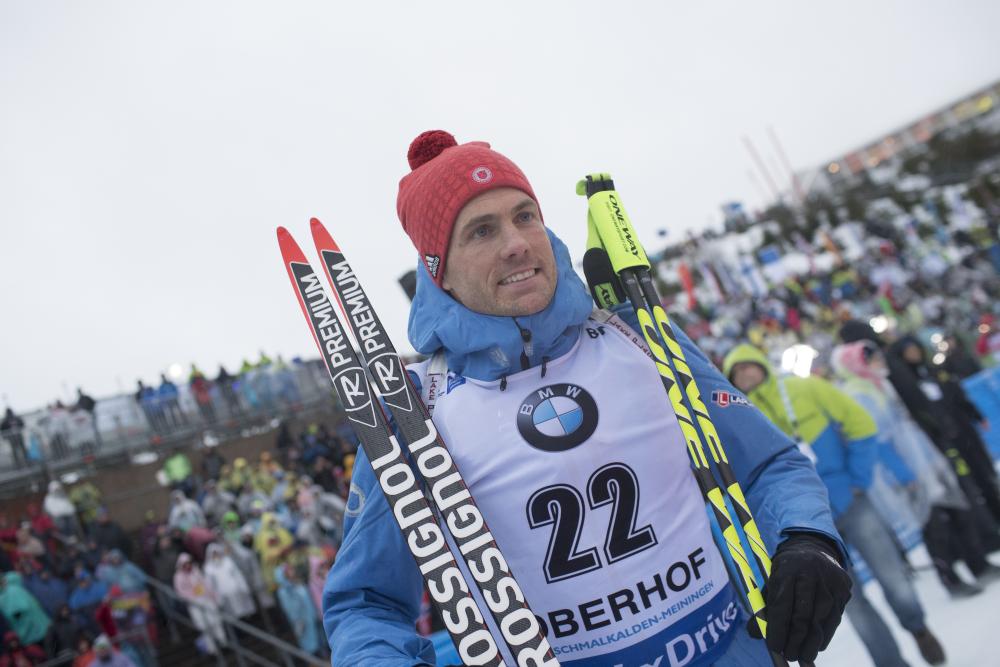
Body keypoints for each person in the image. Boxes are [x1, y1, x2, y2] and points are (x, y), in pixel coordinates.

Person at [324, 131, 852, 666]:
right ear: (440, 272)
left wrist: (806, 538)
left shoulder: (639, 338)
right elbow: (366, 603)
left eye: (525, 216)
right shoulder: (417, 413)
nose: (516, 243)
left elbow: (769, 463)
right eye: (481, 231)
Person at [723, 343, 945, 667]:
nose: (745, 373)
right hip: (807, 527)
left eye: (748, 365)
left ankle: (917, 626)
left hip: (851, 503)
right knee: (849, 602)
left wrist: (858, 480)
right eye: (736, 371)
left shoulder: (805, 387)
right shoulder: (740, 417)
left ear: (761, 364)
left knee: (893, 578)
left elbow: (862, 425)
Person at [832, 340, 1000, 596]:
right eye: (872, 360)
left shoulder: (879, 385)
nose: (880, 364)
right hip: (905, 468)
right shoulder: (859, 394)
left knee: (957, 511)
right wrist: (903, 473)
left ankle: (977, 565)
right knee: (934, 526)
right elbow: (878, 439)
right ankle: (951, 580)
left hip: (921, 456)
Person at [172, 553, 226, 654]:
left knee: (216, 623)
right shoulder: (178, 577)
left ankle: (223, 643)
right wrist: (192, 594)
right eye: (185, 564)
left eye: (189, 563)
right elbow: (180, 592)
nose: (188, 566)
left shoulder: (196, 571)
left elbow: (206, 583)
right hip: (195, 604)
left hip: (207, 600)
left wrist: (213, 596)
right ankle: (212, 649)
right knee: (205, 628)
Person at [275, 564, 321, 656]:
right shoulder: (284, 591)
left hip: (312, 617)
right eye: (289, 570)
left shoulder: (299, 584)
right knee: (309, 648)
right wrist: (299, 621)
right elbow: (291, 609)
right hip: (301, 622)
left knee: (319, 643)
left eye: (292, 569)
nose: (292, 571)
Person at [203, 543, 255, 619]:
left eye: (216, 553)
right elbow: (211, 585)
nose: (216, 556)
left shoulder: (228, 561)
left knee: (245, 612)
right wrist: (217, 598)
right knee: (233, 616)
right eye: (213, 554)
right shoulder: (208, 568)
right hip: (225, 596)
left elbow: (237, 575)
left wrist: (243, 586)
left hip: (237, 592)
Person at [0, 574, 50, 648]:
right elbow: (17, 613)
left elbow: (17, 613)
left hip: (34, 633)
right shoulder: (13, 589)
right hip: (39, 630)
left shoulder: (10, 590)